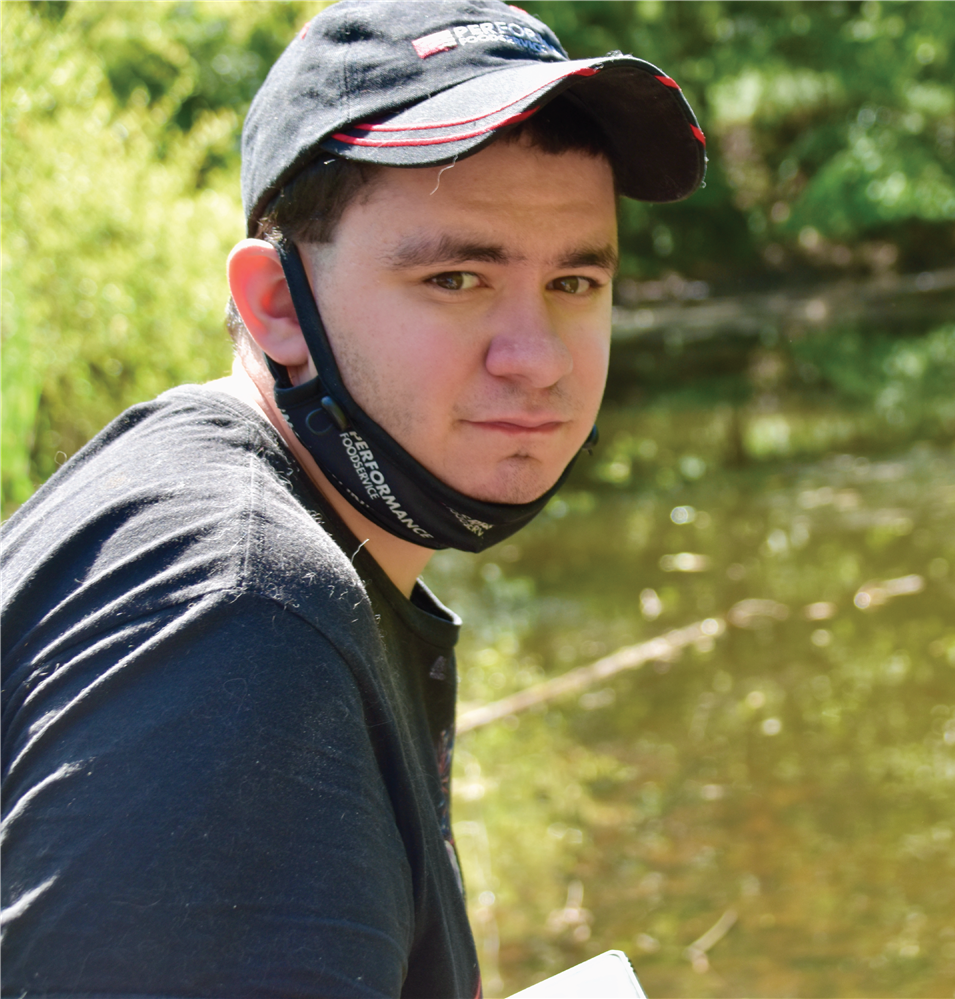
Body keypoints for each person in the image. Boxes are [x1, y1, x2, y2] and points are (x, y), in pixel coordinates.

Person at [0, 1, 704, 995]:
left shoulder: (202, 511)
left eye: (575, 284)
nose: (537, 359)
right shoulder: (242, 618)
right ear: (277, 307)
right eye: (457, 278)